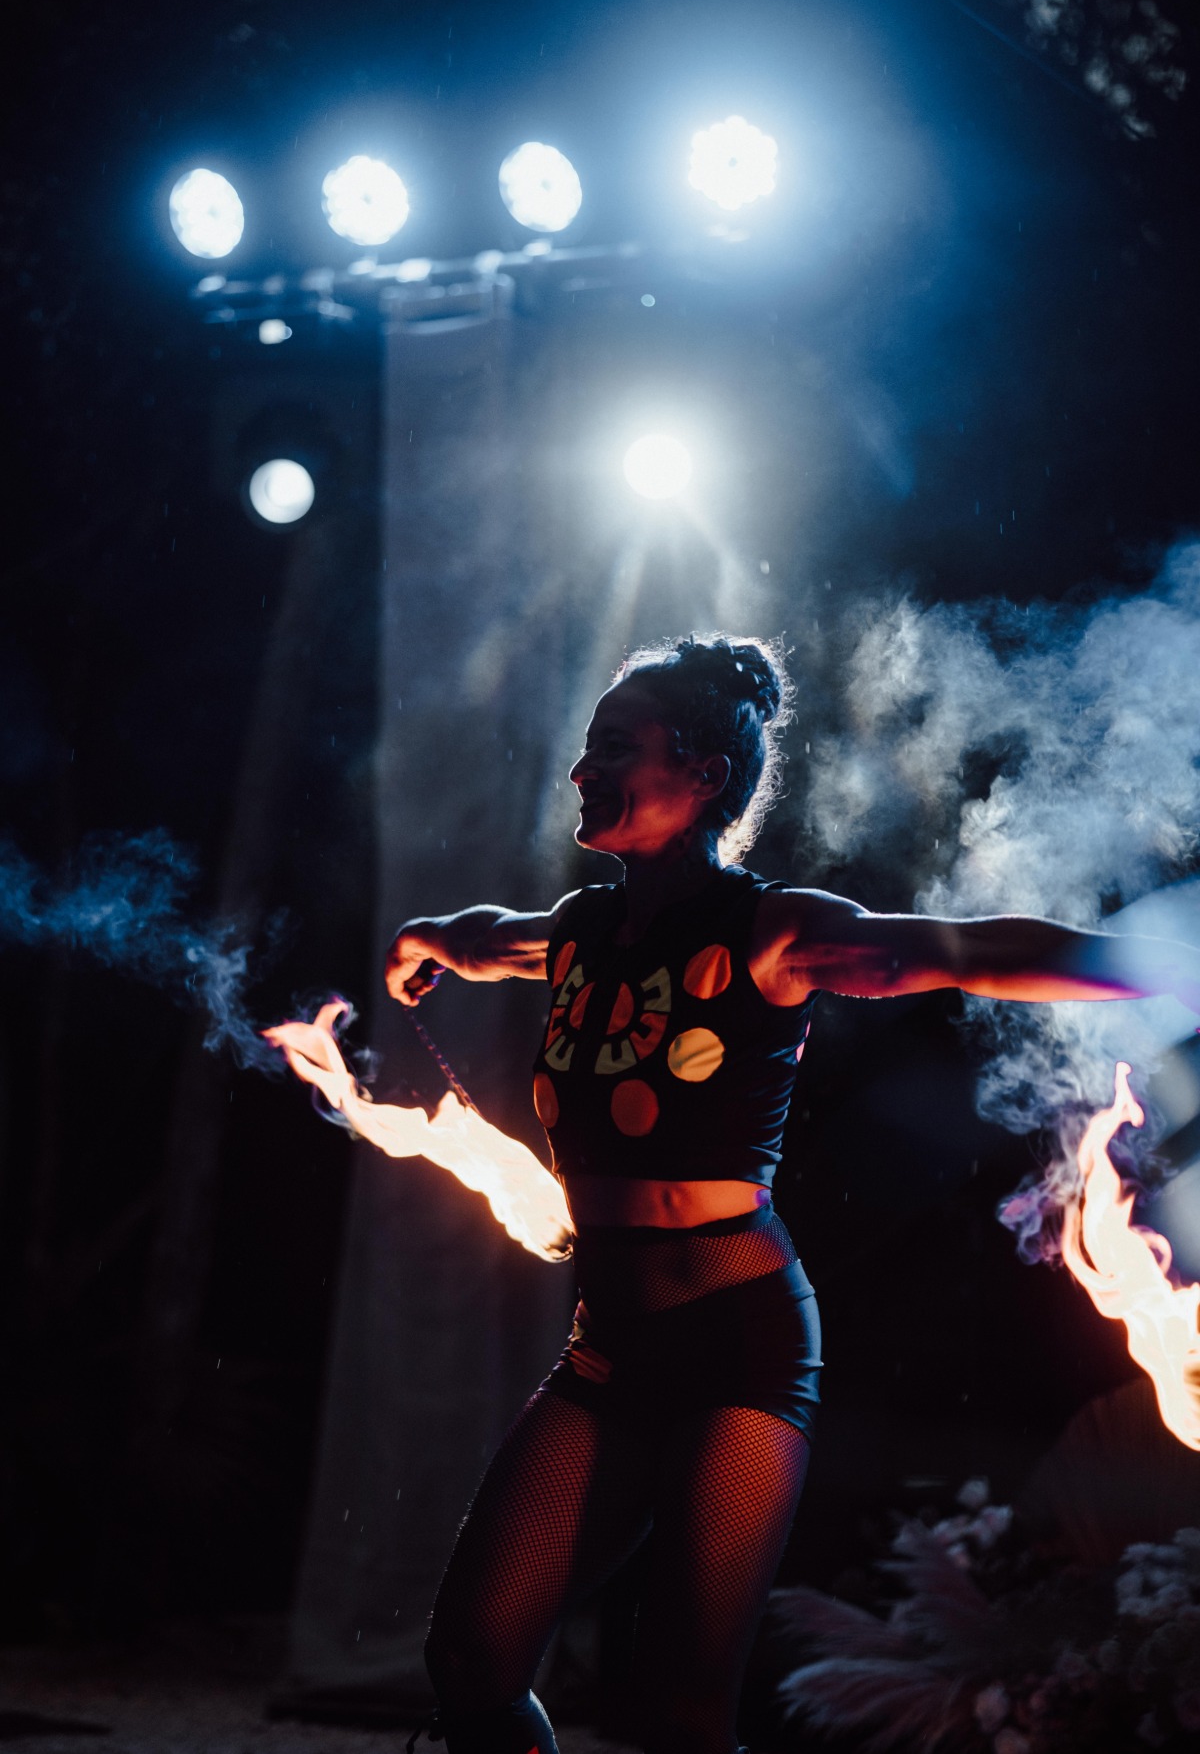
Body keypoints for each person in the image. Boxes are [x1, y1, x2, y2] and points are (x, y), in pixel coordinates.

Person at [384, 635, 1200, 1754]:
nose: (582, 771)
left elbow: (968, 949)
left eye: (616, 748)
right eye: (586, 748)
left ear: (705, 777)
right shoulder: (577, 935)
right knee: (472, 1657)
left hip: (743, 1348)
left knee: (680, 1705)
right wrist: (427, 939)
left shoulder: (773, 931)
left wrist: (1166, 964)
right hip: (608, 1352)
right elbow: (491, 940)